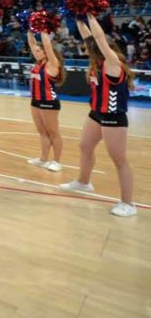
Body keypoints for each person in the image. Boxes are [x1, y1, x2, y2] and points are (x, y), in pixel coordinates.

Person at [60, 14, 137, 217]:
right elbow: (90, 38)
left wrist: (89, 14)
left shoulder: (113, 63)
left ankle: (128, 203)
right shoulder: (98, 63)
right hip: (96, 113)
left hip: (113, 116)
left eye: (92, 47)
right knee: (85, 147)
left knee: (119, 159)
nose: (88, 48)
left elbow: (99, 39)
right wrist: (77, 18)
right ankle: (83, 182)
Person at [25, 30, 64, 171]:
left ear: (46, 52)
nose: (35, 53)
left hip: (49, 102)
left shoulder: (52, 64)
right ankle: (43, 159)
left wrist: (42, 29)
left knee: (53, 133)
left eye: (38, 51)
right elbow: (32, 44)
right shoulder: (39, 64)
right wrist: (29, 30)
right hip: (35, 101)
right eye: (34, 51)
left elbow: (47, 45)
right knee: (42, 132)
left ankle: (57, 161)